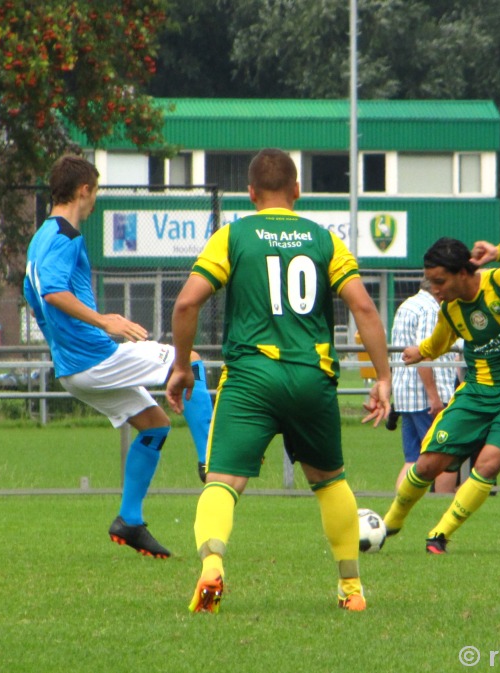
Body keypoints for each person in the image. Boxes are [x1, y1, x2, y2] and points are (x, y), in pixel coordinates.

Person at [167, 148, 391, 614]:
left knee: (223, 481)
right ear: (296, 192)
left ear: (250, 194)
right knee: (330, 482)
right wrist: (383, 377)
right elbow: (365, 309)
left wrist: (182, 366)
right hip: (311, 376)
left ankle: (212, 565)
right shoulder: (325, 240)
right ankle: (351, 589)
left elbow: (186, 304)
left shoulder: (232, 236)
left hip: (251, 376)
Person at [23, 154, 213, 559]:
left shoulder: (40, 237)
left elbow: (35, 296)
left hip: (73, 369)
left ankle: (129, 520)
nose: (95, 204)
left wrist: (68, 340)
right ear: (83, 190)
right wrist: (102, 321)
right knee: (189, 359)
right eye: (96, 194)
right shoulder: (64, 235)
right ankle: (212, 460)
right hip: (95, 358)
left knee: (155, 425)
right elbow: (53, 293)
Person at [382, 236, 500, 554]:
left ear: (462, 272)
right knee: (428, 464)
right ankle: (391, 522)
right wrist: (422, 352)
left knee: (489, 463)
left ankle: (440, 534)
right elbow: (441, 341)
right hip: (476, 393)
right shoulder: (451, 309)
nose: (435, 289)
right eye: (431, 282)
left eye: (440, 281)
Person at [389, 279, 459, 494]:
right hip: (425, 396)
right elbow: (424, 354)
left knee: (413, 458)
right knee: (446, 456)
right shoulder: (431, 310)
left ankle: (399, 502)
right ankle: (442, 502)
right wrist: (434, 397)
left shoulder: (407, 305)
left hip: (406, 395)